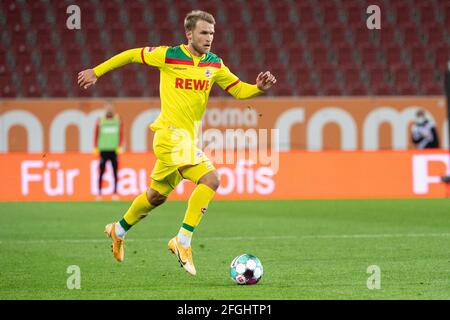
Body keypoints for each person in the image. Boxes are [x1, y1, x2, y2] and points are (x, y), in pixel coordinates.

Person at [78, 10, 276, 276]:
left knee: (156, 196)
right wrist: (97, 71)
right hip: (169, 136)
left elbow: (239, 89)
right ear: (190, 34)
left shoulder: (215, 64)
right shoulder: (169, 55)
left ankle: (119, 229)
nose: (209, 38)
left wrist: (258, 88)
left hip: (186, 140)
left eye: (212, 34)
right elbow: (130, 55)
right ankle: (182, 242)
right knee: (211, 179)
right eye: (204, 33)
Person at [93, 103, 123, 201]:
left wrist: (120, 145)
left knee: (115, 172)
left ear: (113, 109)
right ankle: (99, 194)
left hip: (114, 150)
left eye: (111, 108)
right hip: (103, 150)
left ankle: (115, 193)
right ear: (105, 110)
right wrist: (95, 146)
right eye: (107, 108)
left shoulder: (117, 120)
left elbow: (121, 133)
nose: (109, 110)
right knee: (101, 172)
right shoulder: (100, 120)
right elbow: (96, 133)